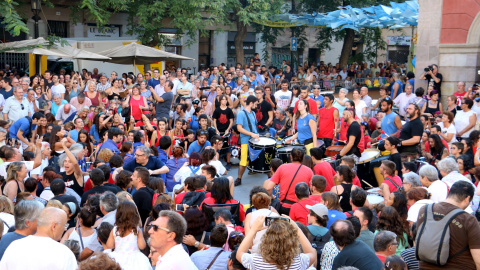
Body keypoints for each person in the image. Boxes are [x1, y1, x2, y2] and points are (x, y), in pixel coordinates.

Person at [416, 181, 480, 269]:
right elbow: (478, 259)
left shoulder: (425, 210)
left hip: (425, 267)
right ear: (467, 198)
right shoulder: (468, 219)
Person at [0, 207, 77, 269]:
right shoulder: (64, 253)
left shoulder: (14, 245)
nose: (65, 229)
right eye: (64, 225)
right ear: (54, 226)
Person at [237, 215, 316, 269]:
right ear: (292, 241)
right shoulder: (298, 261)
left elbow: (239, 253)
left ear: (266, 240)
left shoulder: (256, 260)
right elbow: (312, 253)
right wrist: (297, 228)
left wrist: (253, 229)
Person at [264, 147, 314, 215]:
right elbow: (313, 190)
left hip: (285, 207)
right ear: (303, 158)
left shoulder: (282, 167)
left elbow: (268, 188)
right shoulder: (309, 171)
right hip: (301, 207)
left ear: (291, 157)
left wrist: (272, 197)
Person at [105, 201, 152, 270]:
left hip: (117, 258)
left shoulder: (115, 230)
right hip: (135, 260)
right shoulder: (136, 229)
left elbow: (109, 246)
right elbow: (142, 246)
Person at [235, 95, 259, 186]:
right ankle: (239, 178)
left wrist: (257, 135)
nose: (256, 106)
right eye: (255, 104)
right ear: (251, 103)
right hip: (245, 140)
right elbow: (239, 128)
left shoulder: (253, 113)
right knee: (243, 160)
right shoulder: (241, 113)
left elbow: (254, 127)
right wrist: (251, 134)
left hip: (254, 139)